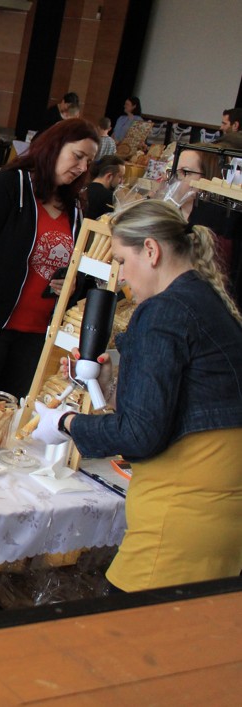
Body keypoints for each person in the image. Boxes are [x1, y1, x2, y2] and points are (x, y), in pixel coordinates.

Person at [34, 199, 242, 592]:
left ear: (151, 250)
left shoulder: (164, 311)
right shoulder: (208, 301)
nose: (123, 277)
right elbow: (173, 407)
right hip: (220, 516)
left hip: (181, 516)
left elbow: (140, 434)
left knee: (130, 622)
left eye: (122, 261)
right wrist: (111, 386)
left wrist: (66, 422)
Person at [0, 118, 99, 410]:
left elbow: (77, 267)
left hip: (35, 335)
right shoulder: (8, 186)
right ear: (54, 147)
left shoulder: (75, 207)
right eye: (78, 156)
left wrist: (73, 284)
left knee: (9, 418)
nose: (82, 167)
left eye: (89, 162)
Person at [86, 155, 125, 220]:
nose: (121, 182)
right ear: (109, 176)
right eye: (120, 177)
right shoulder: (109, 197)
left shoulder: (83, 189)